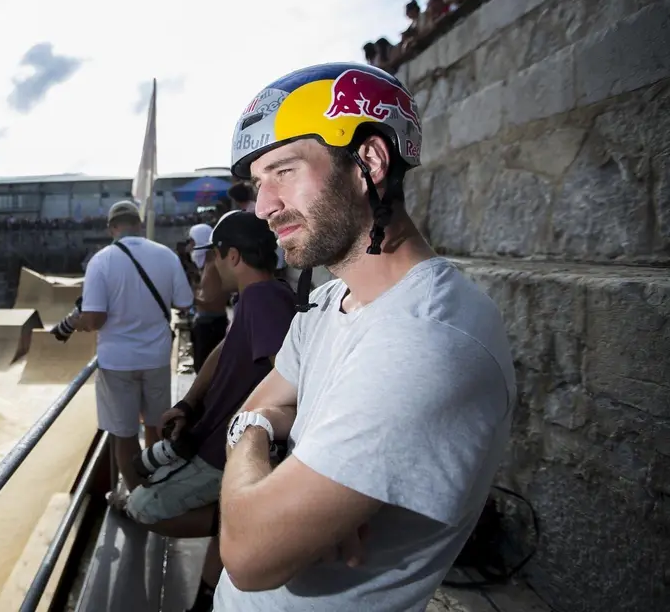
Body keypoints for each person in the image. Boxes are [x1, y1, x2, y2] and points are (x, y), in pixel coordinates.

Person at [214, 62, 516, 611]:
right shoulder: (328, 304)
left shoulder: (426, 338)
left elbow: (248, 552)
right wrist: (265, 433)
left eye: (283, 171)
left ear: (369, 162)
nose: (264, 207)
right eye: (259, 184)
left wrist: (262, 442)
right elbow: (254, 410)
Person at [123, 209, 296, 612]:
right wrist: (190, 402)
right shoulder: (259, 296)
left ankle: (239, 518)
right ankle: (207, 595)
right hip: (220, 440)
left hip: (227, 450)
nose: (214, 265)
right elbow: (225, 348)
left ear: (231, 255)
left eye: (216, 256)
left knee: (143, 509)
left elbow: (286, 373)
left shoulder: (265, 299)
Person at [76, 200, 195, 498]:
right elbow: (184, 303)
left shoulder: (101, 261)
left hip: (116, 362)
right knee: (156, 425)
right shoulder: (165, 255)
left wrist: (80, 322)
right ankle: (156, 488)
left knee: (124, 432)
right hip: (156, 357)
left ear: (111, 228)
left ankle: (135, 497)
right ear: (139, 224)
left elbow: (95, 319)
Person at [188, 222, 228, 372]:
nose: (190, 246)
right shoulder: (208, 265)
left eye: (192, 242)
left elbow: (213, 303)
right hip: (208, 323)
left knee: (205, 369)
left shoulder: (213, 268)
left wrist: (190, 299)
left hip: (210, 326)